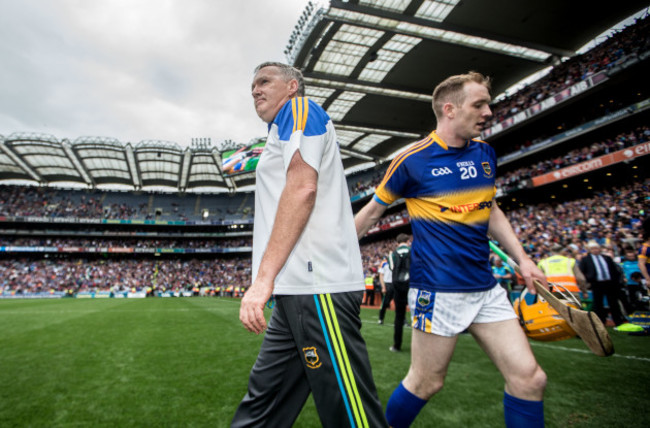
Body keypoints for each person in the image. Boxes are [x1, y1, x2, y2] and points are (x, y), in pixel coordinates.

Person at [355, 71, 548, 428]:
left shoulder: (486, 154)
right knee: (426, 382)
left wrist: (523, 258)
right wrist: (329, 257)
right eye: (479, 104)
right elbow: (371, 213)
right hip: (438, 291)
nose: (489, 111)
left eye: (488, 103)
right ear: (449, 109)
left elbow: (491, 211)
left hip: (486, 288)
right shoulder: (410, 160)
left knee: (530, 380)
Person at [232, 62, 387, 428]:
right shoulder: (278, 132)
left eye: (264, 81)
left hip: (318, 288)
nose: (255, 90)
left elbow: (303, 188)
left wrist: (262, 280)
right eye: (252, 85)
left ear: (291, 86)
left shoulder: (300, 109)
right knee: (262, 409)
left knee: (352, 416)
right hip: (295, 291)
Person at [578, 241, 626, 326]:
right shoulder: (586, 260)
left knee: (613, 303)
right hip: (596, 283)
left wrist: (616, 281)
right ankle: (601, 322)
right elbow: (582, 272)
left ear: (599, 249)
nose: (595, 250)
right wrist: (589, 280)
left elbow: (614, 270)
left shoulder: (607, 258)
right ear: (589, 250)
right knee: (598, 304)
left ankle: (618, 321)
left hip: (609, 283)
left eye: (596, 248)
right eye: (593, 249)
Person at [388, 233, 411, 352]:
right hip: (412, 286)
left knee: (399, 316)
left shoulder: (392, 254)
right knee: (419, 316)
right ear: (407, 241)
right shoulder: (413, 251)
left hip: (397, 287)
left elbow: (391, 268)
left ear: (397, 243)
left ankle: (397, 345)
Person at [378, 254, 394, 324]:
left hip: (395, 283)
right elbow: (381, 275)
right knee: (385, 303)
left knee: (399, 302)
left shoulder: (396, 261)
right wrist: (383, 286)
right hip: (387, 284)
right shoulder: (384, 263)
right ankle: (381, 318)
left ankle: (403, 320)